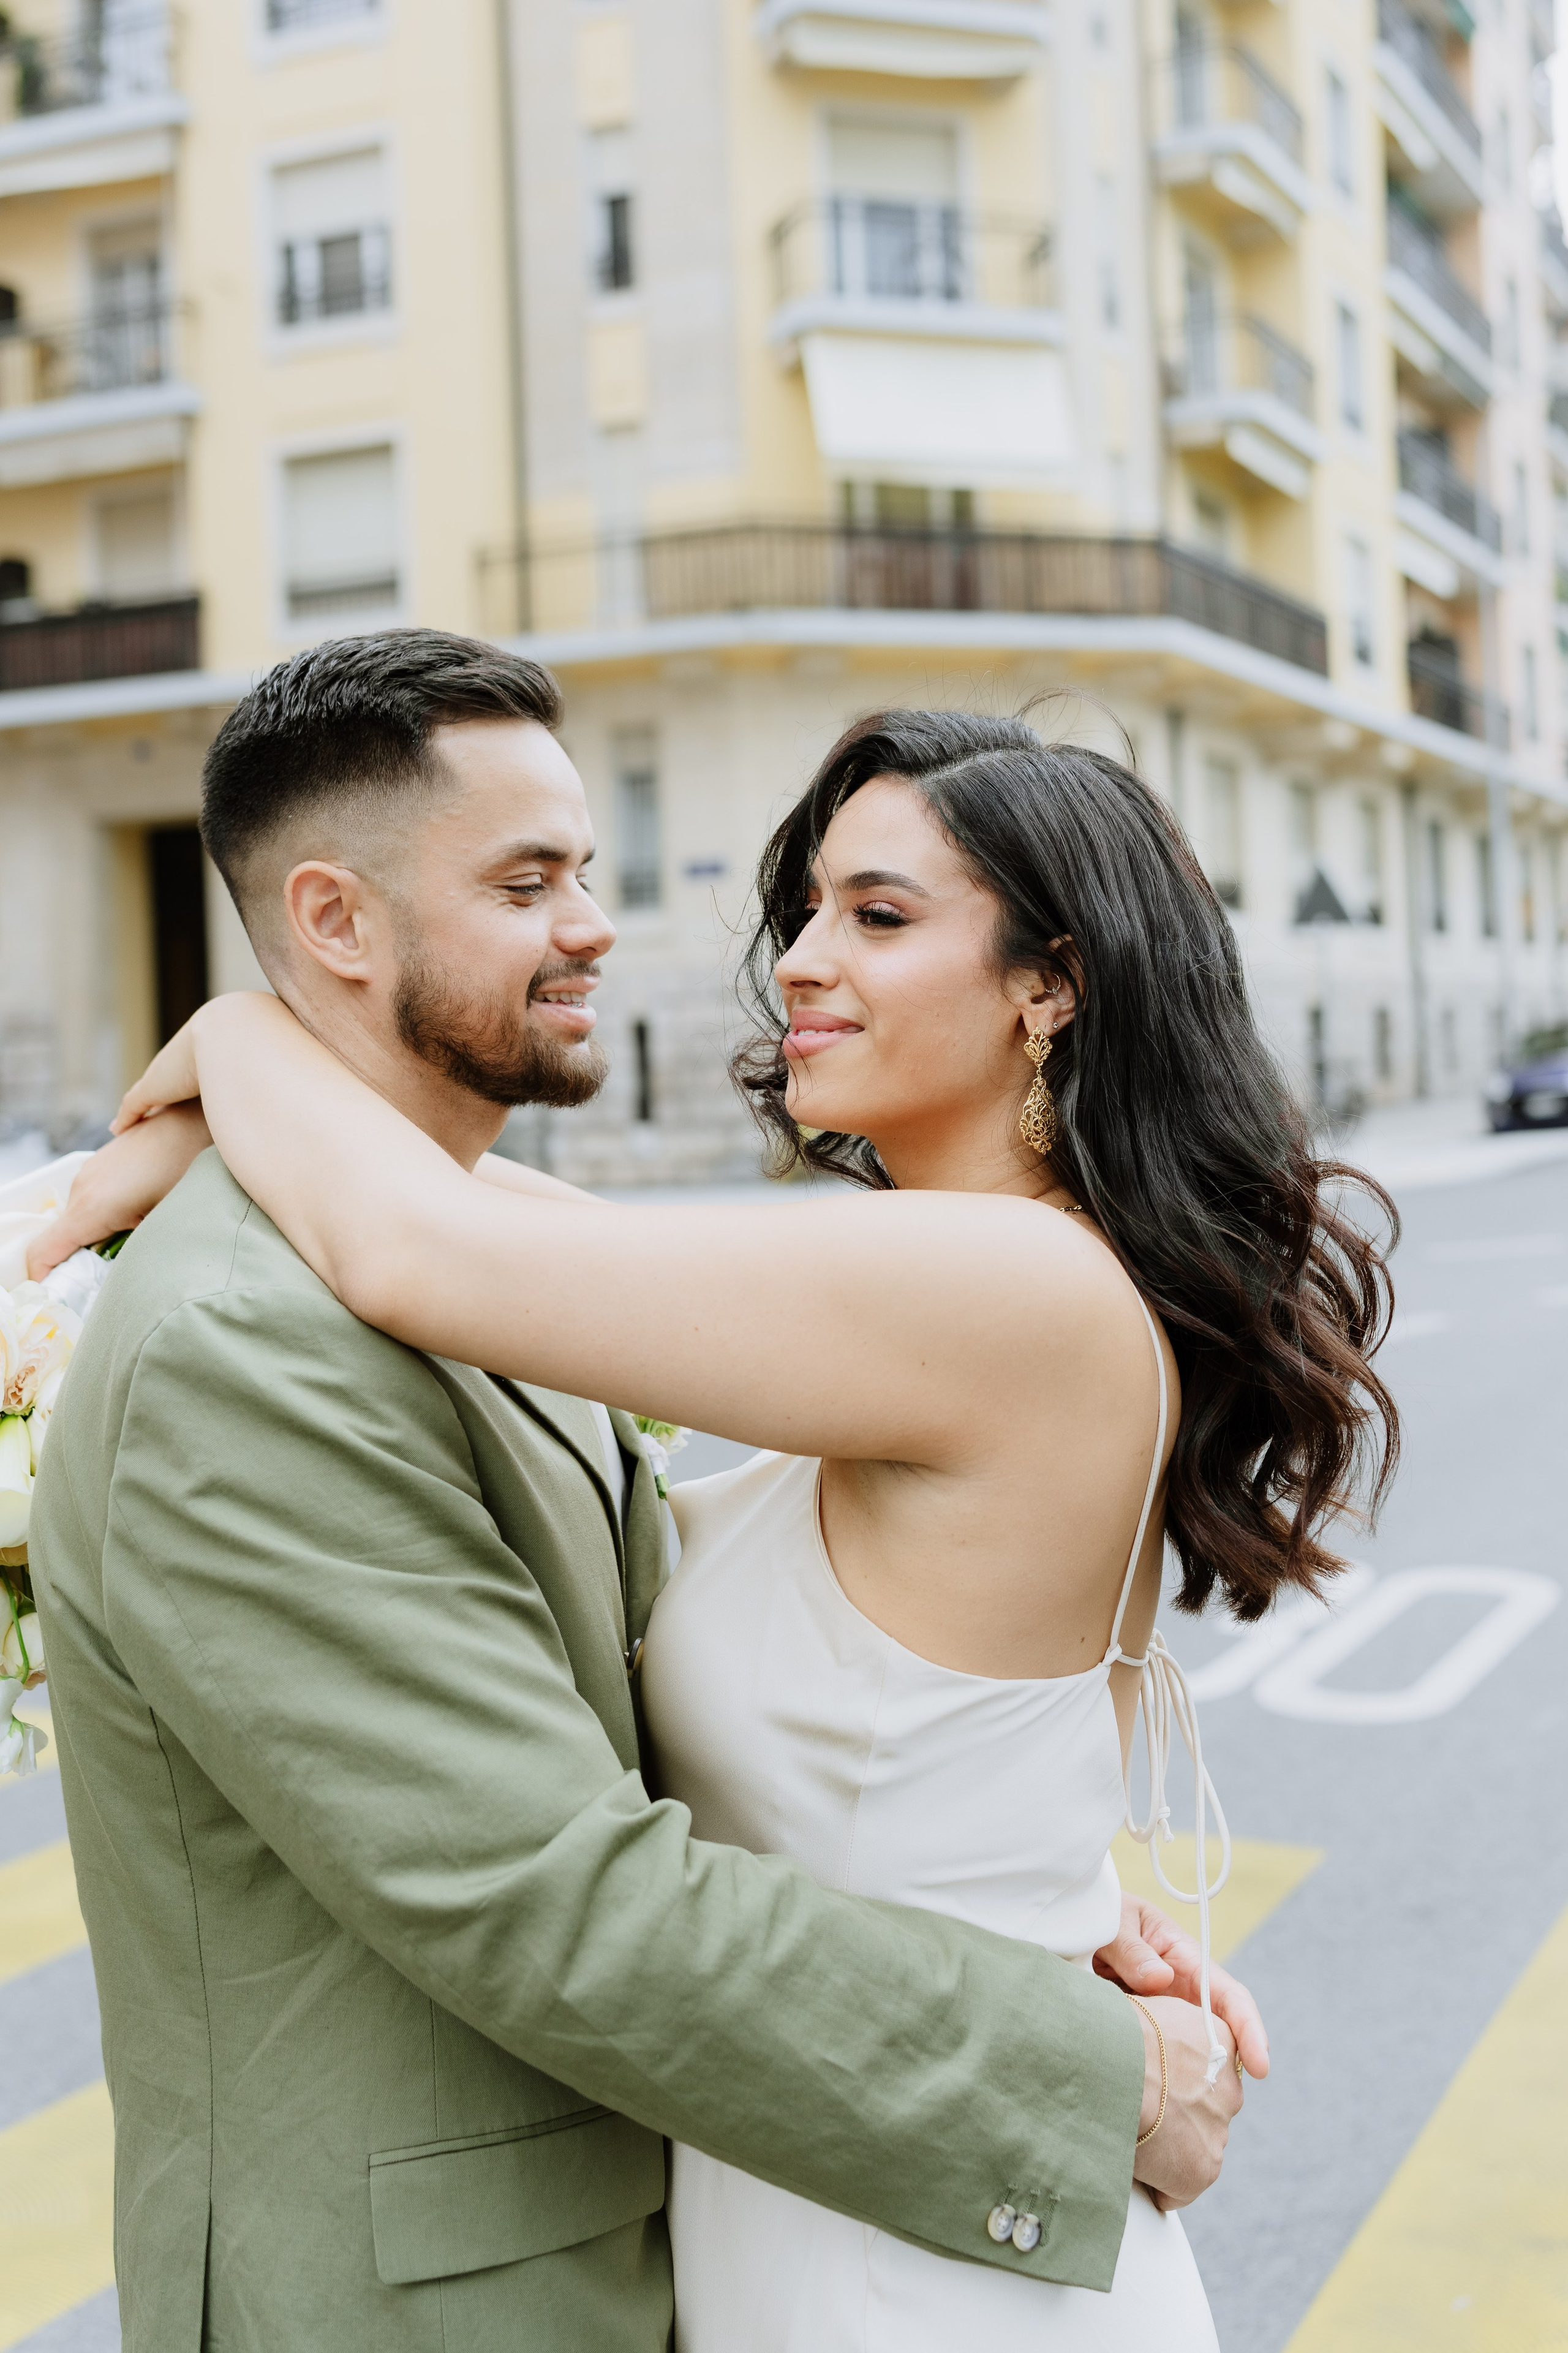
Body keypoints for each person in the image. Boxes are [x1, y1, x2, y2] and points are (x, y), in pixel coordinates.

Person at [27, 637, 1273, 2353]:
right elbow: (520, 1252)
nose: (801, 961)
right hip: (818, 2186)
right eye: (813, 908)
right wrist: (1052, 1916)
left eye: (880, 917)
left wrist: (242, 1040)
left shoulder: (1007, 1292)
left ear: (1047, 986)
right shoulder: (915, 1292)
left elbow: (424, 1247)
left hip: (911, 2252)